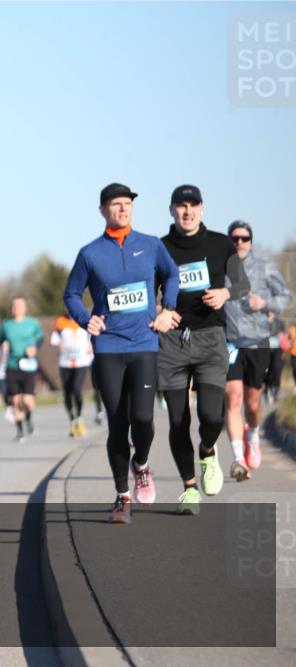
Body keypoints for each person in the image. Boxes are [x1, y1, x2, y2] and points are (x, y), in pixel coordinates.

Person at [63, 183, 180, 524]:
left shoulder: (151, 245)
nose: (124, 209)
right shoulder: (90, 253)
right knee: (118, 424)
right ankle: (122, 496)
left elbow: (171, 273)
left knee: (143, 419)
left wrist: (167, 308)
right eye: (116, 204)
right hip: (109, 348)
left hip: (144, 343)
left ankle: (141, 465)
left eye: (128, 203)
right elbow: (71, 294)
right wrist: (86, 320)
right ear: (103, 210)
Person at [157, 185, 248, 514]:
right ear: (172, 210)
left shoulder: (220, 244)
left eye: (193, 205)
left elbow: (242, 284)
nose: (187, 211)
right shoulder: (160, 248)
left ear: (202, 209)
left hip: (210, 337)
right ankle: (189, 488)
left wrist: (225, 294)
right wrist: (159, 313)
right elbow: (145, 291)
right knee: (178, 421)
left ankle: (208, 450)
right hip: (172, 342)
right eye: (181, 206)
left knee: (211, 415)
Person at [223, 220, 292, 481]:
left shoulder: (265, 267)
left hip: (258, 342)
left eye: (244, 238)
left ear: (250, 241)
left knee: (252, 403)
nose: (239, 242)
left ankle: (252, 434)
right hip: (229, 342)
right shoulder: (220, 267)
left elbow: (286, 296)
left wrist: (265, 302)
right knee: (233, 397)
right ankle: (239, 459)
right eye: (235, 238)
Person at [0, 297, 44, 442]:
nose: (15, 307)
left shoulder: (32, 323)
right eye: (14, 305)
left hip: (28, 365)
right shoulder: (6, 325)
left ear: (25, 308)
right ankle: (19, 431)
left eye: (18, 305)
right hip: (12, 365)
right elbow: (0, 341)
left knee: (28, 401)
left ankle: (29, 419)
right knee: (16, 400)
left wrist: (34, 348)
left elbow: (40, 338)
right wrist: (3, 346)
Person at [50, 309, 94, 438]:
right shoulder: (60, 322)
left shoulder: (85, 319)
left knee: (77, 389)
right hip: (65, 362)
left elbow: (92, 335)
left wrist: (91, 345)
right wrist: (57, 345)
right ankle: (72, 420)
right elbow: (53, 341)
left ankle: (79, 418)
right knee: (67, 392)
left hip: (81, 361)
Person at [265, 313, 285, 404]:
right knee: (268, 371)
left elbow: (284, 337)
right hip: (266, 349)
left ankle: (276, 391)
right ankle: (268, 389)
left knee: (277, 370)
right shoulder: (263, 321)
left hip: (278, 349)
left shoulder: (280, 322)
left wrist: (283, 350)